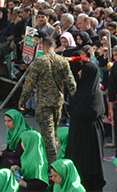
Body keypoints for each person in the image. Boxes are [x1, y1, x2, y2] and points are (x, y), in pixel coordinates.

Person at [18, 35, 76, 165]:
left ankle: (52, 165)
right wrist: (76, 101)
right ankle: (49, 161)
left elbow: (29, 84)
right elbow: (71, 83)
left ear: (43, 47)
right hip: (57, 102)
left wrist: (22, 101)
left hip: (43, 103)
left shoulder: (39, 61)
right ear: (55, 46)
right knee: (52, 133)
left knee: (48, 135)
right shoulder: (62, 61)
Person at [65, 61, 106, 192]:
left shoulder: (95, 95)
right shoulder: (82, 90)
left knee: (89, 168)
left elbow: (87, 112)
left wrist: (74, 113)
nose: (79, 73)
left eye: (82, 71)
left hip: (90, 136)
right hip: (79, 135)